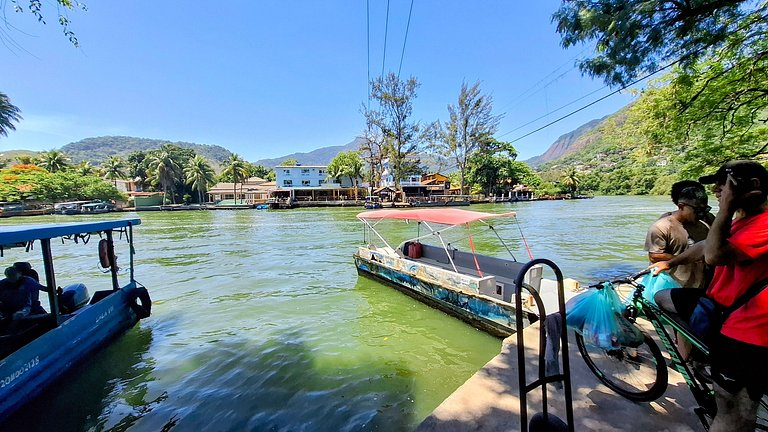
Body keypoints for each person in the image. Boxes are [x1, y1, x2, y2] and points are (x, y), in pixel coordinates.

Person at [650, 160, 768, 432]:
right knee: (662, 298)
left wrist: (725, 208)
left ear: (753, 187)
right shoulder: (744, 221)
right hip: (723, 308)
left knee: (731, 417)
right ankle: (704, 353)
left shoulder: (762, 224)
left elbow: (714, 255)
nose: (716, 191)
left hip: (749, 330)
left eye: (723, 185)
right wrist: (671, 262)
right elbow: (705, 245)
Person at [645, 186, 710, 289]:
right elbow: (654, 256)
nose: (701, 214)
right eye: (697, 210)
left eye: (705, 209)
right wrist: (690, 258)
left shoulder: (704, 226)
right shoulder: (661, 227)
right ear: (681, 206)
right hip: (671, 286)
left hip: (699, 285)